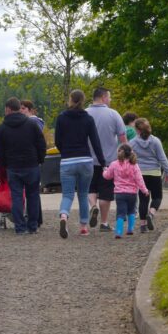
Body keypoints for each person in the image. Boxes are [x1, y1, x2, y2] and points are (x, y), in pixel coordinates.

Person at [53, 89, 105, 238]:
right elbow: (95, 142)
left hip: (68, 160)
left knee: (68, 195)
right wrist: (102, 162)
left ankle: (64, 216)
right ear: (83, 100)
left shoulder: (62, 118)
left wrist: (65, 152)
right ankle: (83, 227)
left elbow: (58, 141)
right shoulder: (88, 118)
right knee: (83, 194)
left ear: (70, 99)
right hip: (85, 160)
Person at [0, 96, 47, 235]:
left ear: (8, 109)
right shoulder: (31, 125)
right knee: (33, 196)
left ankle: (20, 227)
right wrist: (39, 160)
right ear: (19, 108)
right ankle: (33, 226)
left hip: (13, 167)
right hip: (31, 165)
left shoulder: (2, 128)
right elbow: (41, 144)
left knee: (17, 197)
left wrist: (6, 165)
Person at [86, 87, 127, 232]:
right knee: (106, 191)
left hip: (88, 160)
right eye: (109, 97)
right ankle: (104, 223)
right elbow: (122, 138)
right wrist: (125, 157)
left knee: (90, 187)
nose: (110, 100)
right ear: (103, 97)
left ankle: (93, 206)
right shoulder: (113, 114)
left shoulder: (85, 114)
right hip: (109, 161)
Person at [131, 117, 168, 233]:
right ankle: (151, 213)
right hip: (154, 173)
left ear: (137, 130)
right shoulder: (155, 141)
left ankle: (143, 225)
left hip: (140, 174)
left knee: (143, 199)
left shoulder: (132, 143)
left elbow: (129, 158)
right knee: (157, 197)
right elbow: (162, 158)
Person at [103, 143, 149, 238]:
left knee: (120, 212)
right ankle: (130, 229)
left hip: (120, 194)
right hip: (132, 193)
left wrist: (104, 171)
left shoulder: (114, 164)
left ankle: (119, 232)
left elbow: (108, 176)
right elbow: (139, 179)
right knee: (131, 211)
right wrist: (144, 190)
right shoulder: (134, 165)